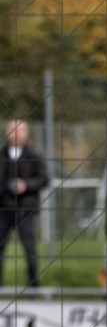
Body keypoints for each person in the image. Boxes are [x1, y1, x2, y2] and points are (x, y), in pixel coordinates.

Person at [0, 118, 50, 288]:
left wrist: (25, 185)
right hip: (3, 209)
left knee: (30, 249)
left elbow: (44, 179)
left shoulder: (34, 155)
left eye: (19, 130)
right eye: (12, 129)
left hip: (25, 210)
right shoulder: (1, 154)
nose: (15, 133)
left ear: (26, 132)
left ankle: (33, 286)